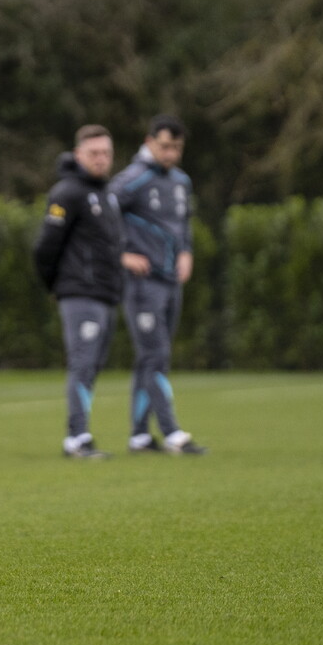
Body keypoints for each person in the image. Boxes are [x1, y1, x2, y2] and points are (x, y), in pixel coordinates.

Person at [108, 115, 207, 455]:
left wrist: (186, 253)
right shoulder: (131, 180)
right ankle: (172, 432)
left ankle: (139, 436)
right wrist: (121, 255)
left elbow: (183, 225)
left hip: (170, 281)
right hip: (141, 283)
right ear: (149, 142)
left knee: (150, 360)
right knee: (155, 355)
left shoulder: (181, 181)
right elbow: (99, 219)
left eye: (177, 147)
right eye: (165, 146)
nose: (171, 153)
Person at [32, 125, 125, 459]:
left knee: (94, 365)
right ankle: (77, 439)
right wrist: (56, 286)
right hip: (79, 294)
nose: (101, 160)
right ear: (78, 154)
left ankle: (81, 433)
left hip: (105, 294)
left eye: (106, 153)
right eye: (94, 153)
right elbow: (45, 247)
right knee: (82, 364)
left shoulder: (107, 193)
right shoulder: (66, 193)